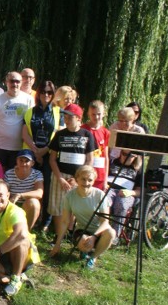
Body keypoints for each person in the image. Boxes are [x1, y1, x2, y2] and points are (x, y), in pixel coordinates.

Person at [50, 166, 114, 270]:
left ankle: (93, 257)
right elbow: (65, 221)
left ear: (94, 181)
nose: (86, 183)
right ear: (77, 178)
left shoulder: (100, 195)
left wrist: (93, 236)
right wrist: (57, 244)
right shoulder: (70, 196)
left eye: (90, 180)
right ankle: (86, 251)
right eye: (83, 179)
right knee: (84, 243)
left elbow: (105, 222)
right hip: (82, 230)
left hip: (99, 231)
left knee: (111, 233)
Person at [48, 103, 96, 241]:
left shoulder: (87, 135)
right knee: (57, 206)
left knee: (74, 205)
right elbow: (52, 159)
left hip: (79, 177)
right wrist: (60, 178)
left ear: (78, 118)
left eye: (70, 117)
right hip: (60, 175)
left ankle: (69, 232)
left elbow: (89, 160)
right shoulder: (60, 134)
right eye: (65, 117)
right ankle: (58, 235)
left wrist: (78, 178)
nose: (66, 120)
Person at [22, 80, 59, 227]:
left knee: (48, 188)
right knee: (30, 186)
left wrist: (45, 150)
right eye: (43, 91)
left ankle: (46, 222)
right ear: (38, 93)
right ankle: (31, 218)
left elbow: (58, 135)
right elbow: (24, 134)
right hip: (31, 153)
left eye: (49, 92)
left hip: (49, 155)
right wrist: (36, 151)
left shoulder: (58, 112)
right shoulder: (30, 111)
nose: (46, 95)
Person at [0, 72, 35, 170]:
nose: (15, 84)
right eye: (12, 81)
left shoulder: (29, 99)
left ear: (21, 83)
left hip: (19, 147)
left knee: (14, 175)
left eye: (17, 81)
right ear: (6, 82)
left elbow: (31, 124)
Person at [105, 150, 142, 243]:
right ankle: (100, 231)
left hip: (127, 193)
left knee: (122, 204)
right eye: (125, 154)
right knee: (104, 200)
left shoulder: (138, 170)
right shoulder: (112, 163)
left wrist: (130, 193)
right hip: (110, 189)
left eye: (131, 156)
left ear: (136, 157)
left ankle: (114, 235)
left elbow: (140, 191)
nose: (127, 157)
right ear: (120, 153)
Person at [4, 150, 44, 230]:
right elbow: (5, 191)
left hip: (27, 206)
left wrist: (20, 195)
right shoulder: (9, 173)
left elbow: (39, 193)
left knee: (34, 203)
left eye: (27, 161)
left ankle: (26, 232)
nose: (23, 163)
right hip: (12, 203)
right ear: (16, 161)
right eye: (21, 160)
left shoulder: (37, 174)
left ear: (32, 163)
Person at [81, 100, 110, 190]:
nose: (96, 117)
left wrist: (105, 181)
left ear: (104, 114)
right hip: (85, 174)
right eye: (93, 114)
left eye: (99, 114)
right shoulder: (82, 129)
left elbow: (106, 157)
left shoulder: (106, 132)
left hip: (99, 176)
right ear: (88, 114)